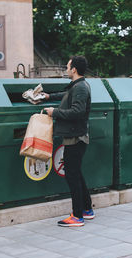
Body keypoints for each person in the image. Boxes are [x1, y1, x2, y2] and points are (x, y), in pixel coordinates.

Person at [43, 55, 95, 227]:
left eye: (67, 66)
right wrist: (48, 97)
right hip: (76, 136)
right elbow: (67, 95)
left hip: (75, 137)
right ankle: (87, 210)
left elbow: (77, 111)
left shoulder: (80, 87)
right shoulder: (79, 85)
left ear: (73, 69)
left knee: (72, 175)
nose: (66, 69)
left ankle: (77, 216)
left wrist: (54, 112)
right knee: (76, 173)